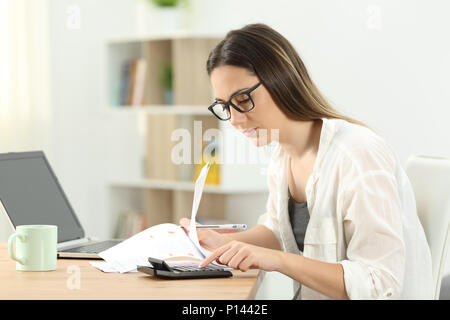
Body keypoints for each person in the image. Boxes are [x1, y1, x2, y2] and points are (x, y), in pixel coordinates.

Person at [180, 23, 433, 300]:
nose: (236, 120)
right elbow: (279, 230)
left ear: (281, 79)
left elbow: (379, 283)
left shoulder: (358, 154)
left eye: (243, 99)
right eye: (225, 106)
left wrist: (275, 260)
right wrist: (222, 243)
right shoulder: (282, 154)